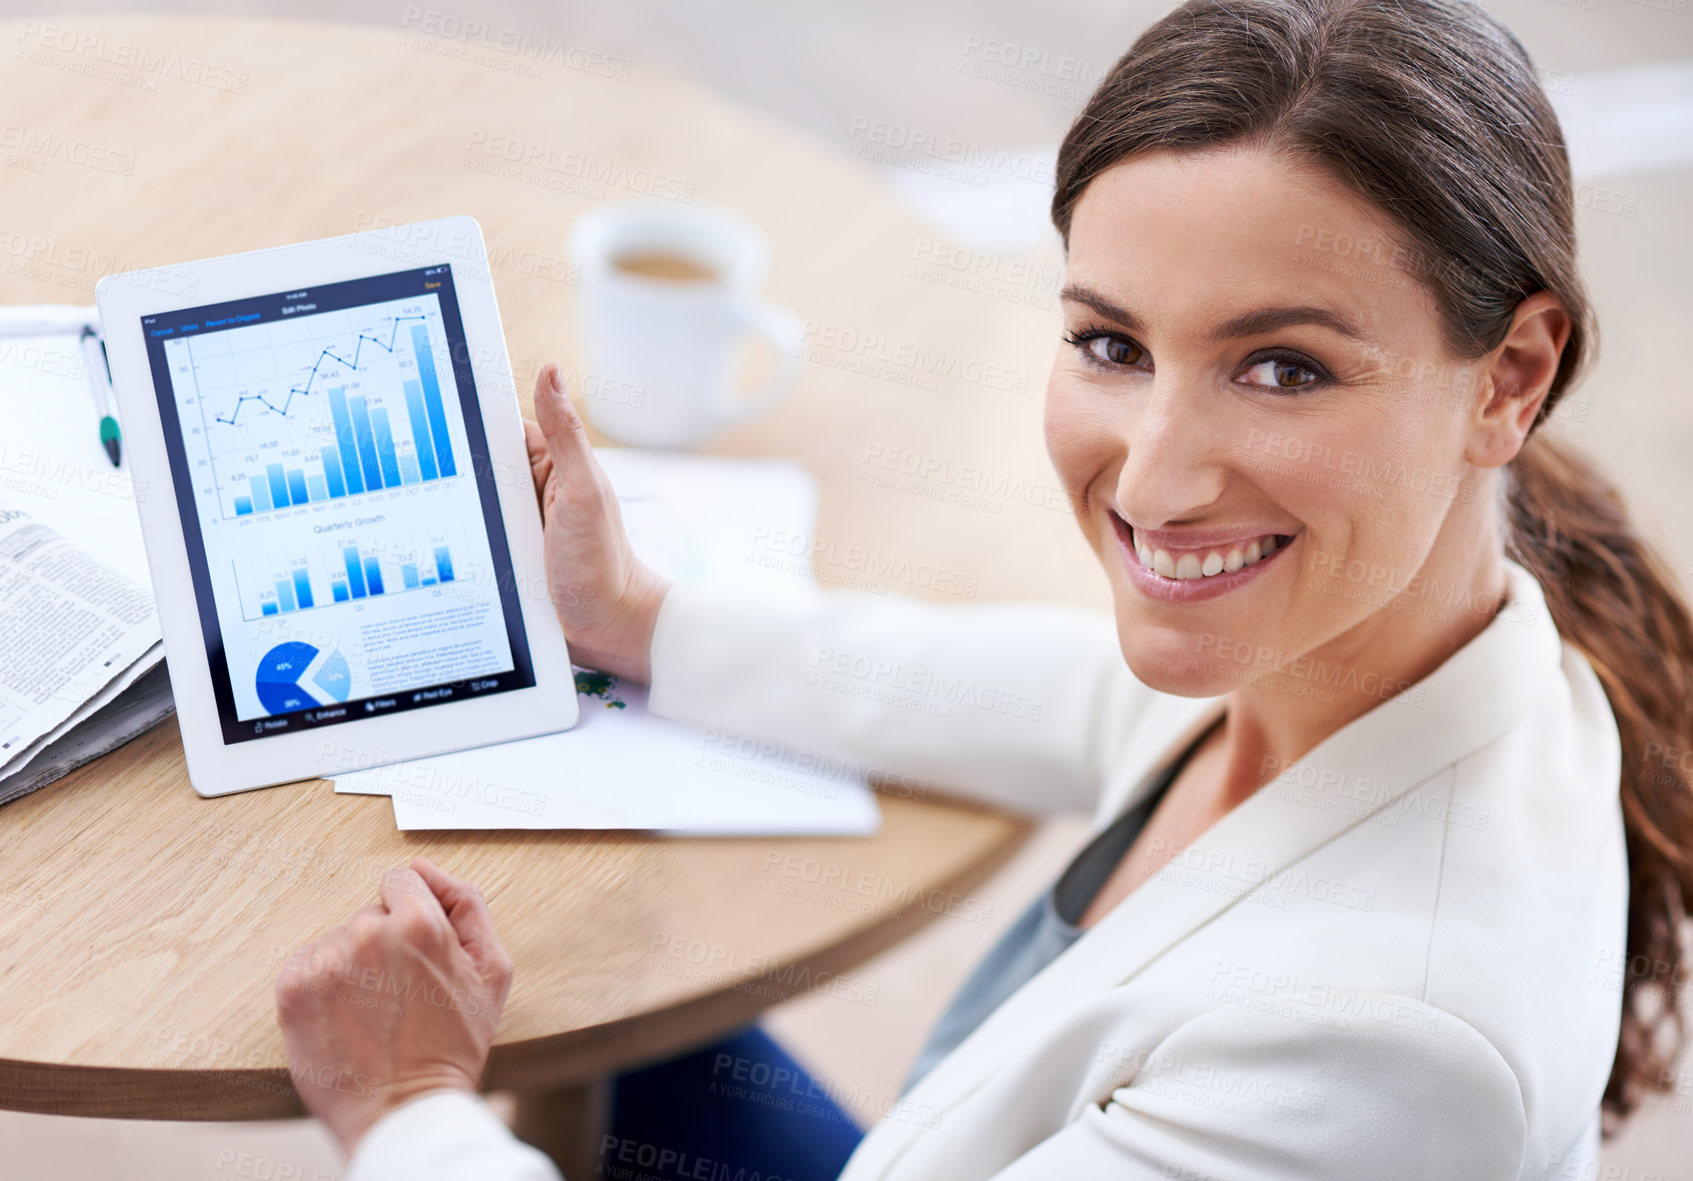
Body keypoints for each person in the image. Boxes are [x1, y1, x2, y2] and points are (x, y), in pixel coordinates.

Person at [274, 0, 1693, 1176]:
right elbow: (1078, 699)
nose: (1150, 482)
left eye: (1282, 368)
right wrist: (643, 618)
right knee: (627, 1006)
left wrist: (408, 1113)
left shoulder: (1391, 1049)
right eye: (1111, 344)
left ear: (1508, 377)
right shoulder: (1410, 625)